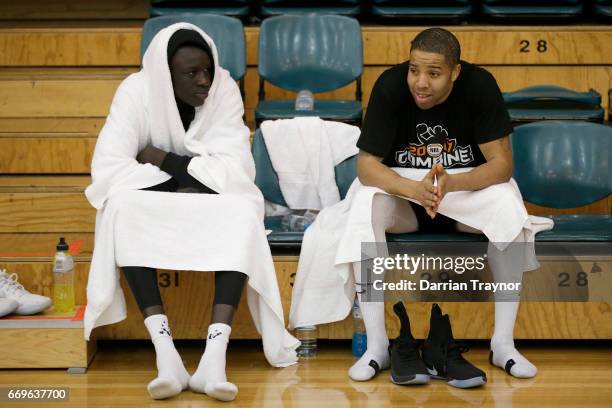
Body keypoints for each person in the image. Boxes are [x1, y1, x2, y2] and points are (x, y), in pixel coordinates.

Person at [84, 23, 298, 402]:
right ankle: (166, 355)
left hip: (200, 195)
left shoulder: (224, 88)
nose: (204, 81)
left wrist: (161, 158)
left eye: (207, 70)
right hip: (157, 196)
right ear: (166, 76)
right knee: (121, 207)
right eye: (191, 73)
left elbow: (237, 171)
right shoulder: (135, 91)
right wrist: (189, 176)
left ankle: (214, 358)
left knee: (242, 210)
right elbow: (110, 171)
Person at [351, 27, 537, 384]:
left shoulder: (480, 85)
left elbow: (501, 165)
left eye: (433, 74)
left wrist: (451, 184)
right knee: (367, 205)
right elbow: (365, 166)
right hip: (406, 196)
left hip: (462, 190)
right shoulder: (390, 86)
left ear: (455, 72)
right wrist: (413, 188)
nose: (420, 82)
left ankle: (503, 344)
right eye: (414, 70)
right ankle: (377, 345)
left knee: (505, 206)